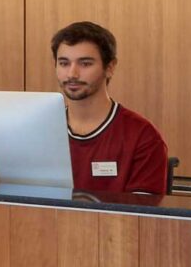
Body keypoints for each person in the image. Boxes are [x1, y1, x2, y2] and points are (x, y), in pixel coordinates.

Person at [53, 19, 172, 194]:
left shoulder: (143, 137)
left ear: (110, 67)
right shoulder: (42, 132)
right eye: (64, 63)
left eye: (85, 63)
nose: (72, 74)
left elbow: (142, 211)